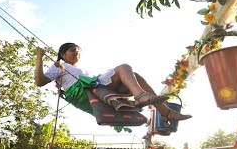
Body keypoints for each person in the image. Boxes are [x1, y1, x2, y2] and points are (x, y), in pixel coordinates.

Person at [35, 42, 192, 122]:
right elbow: (39, 81)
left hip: (93, 87)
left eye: (78, 51)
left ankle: (165, 113)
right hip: (85, 91)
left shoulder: (74, 68)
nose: (77, 53)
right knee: (124, 67)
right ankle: (140, 96)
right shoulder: (59, 66)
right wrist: (39, 57)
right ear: (63, 54)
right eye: (72, 51)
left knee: (136, 76)